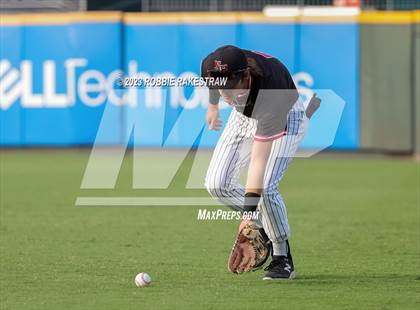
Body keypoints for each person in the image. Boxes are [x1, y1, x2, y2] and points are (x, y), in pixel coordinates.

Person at [201, 45, 319, 280]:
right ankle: (263, 226)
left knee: (265, 188)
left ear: (245, 76)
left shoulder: (271, 94)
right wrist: (213, 106)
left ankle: (282, 257)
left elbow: (258, 161)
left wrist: (247, 216)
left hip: (285, 116)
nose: (223, 92)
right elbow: (215, 83)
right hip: (244, 114)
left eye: (228, 87)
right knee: (216, 183)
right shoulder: (214, 66)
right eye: (218, 86)